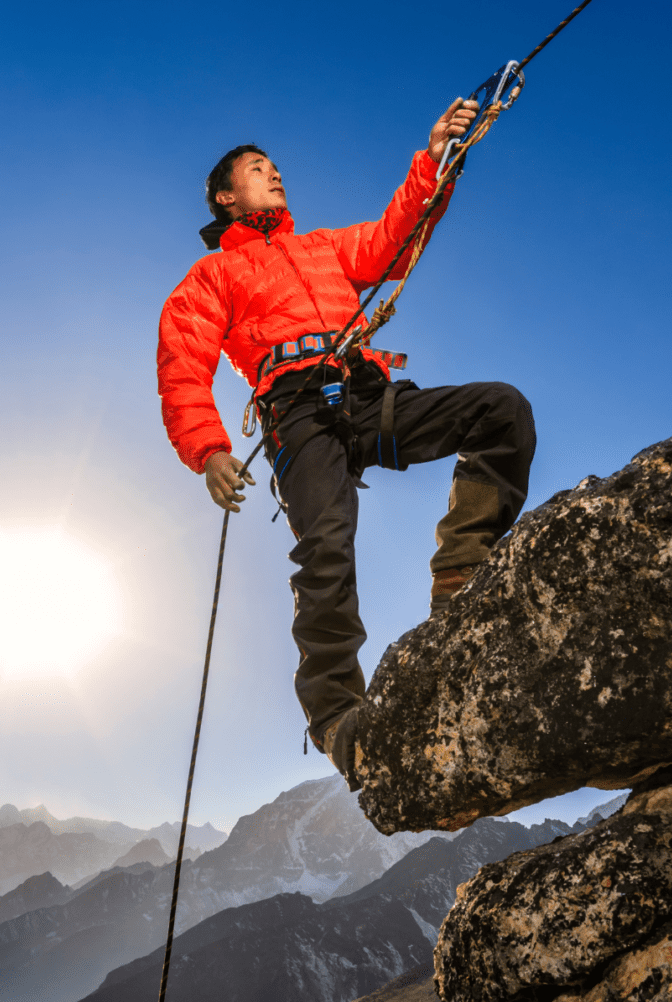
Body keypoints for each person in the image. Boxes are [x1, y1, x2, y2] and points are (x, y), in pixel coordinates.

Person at [157, 100, 536, 790]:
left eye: (275, 168)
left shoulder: (324, 248)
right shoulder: (212, 276)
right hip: (296, 414)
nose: (274, 174)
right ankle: (337, 719)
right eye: (256, 168)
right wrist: (208, 448)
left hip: (365, 396)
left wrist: (437, 155)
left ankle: (460, 571)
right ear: (225, 195)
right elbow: (183, 361)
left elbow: (398, 237)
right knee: (326, 546)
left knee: (501, 412)